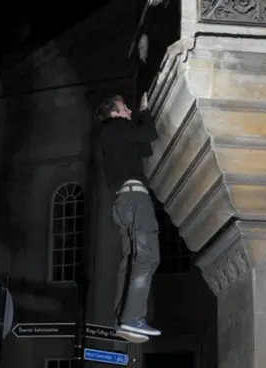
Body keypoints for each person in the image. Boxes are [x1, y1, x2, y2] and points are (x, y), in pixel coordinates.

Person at [97, 93, 161, 343]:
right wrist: (145, 111)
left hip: (123, 203)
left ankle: (122, 318)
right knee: (147, 256)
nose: (129, 112)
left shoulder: (116, 135)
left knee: (130, 259)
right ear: (113, 113)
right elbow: (150, 135)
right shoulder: (115, 128)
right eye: (125, 109)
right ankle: (133, 317)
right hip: (134, 198)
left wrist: (142, 119)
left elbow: (144, 148)